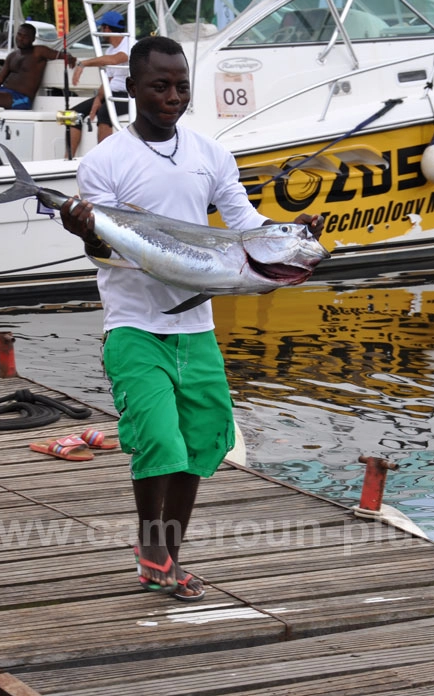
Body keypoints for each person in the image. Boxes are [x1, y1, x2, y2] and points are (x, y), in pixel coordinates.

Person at [59, 36, 323, 600]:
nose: (172, 96)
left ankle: (167, 553)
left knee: (203, 441)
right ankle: (152, 549)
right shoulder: (104, 162)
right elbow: (106, 252)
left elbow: (247, 224)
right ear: (132, 88)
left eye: (181, 85)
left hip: (195, 326)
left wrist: (292, 233)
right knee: (158, 439)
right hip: (134, 325)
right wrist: (85, 232)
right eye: (159, 85)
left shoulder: (211, 153)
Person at [69, 11, 130, 155]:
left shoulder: (129, 43)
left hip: (130, 96)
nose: (101, 32)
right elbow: (108, 80)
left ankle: (103, 158)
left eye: (102, 28)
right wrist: (97, 99)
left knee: (104, 113)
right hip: (112, 93)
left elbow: (115, 60)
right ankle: (68, 157)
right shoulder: (110, 49)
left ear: (107, 29)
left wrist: (83, 64)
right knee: (73, 114)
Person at [0, 23, 75, 110]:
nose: (20, 39)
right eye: (19, 35)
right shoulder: (12, 55)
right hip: (4, 92)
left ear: (33, 39)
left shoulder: (39, 51)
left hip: (22, 98)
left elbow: (61, 55)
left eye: (25, 36)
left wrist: (69, 57)